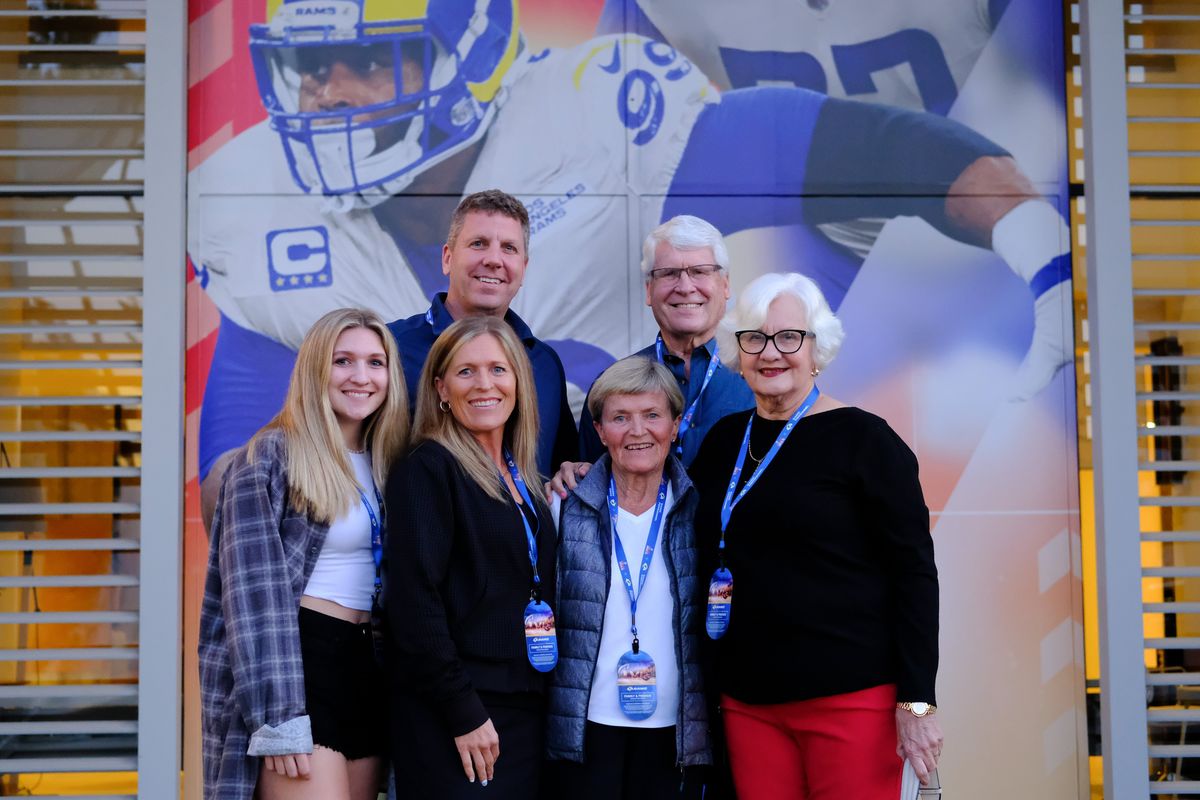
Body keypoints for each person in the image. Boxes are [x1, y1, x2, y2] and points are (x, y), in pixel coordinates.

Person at [190, 0, 1072, 491]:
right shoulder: (257, 208)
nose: (335, 95)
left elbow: (860, 148)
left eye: (373, 61)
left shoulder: (595, 122)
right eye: (314, 68)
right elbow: (237, 487)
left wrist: (1042, 251)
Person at [688, 272, 941, 800]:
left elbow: (914, 576)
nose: (770, 352)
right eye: (755, 337)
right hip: (748, 702)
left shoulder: (865, 441)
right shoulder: (722, 443)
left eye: (788, 337)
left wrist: (917, 703)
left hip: (850, 699)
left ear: (816, 346)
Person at [198, 307, 409, 800]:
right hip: (298, 666)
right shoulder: (267, 457)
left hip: (369, 664)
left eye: (375, 363)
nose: (361, 377)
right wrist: (278, 717)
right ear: (316, 368)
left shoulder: (390, 463)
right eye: (343, 361)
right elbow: (252, 601)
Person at [385, 315, 557, 799]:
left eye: (499, 370)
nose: (485, 384)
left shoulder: (524, 478)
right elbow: (415, 604)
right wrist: (464, 712)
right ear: (440, 387)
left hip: (523, 705)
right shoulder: (426, 467)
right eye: (466, 372)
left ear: (519, 382)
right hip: (458, 714)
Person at [546, 357, 710, 799]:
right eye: (620, 417)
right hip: (585, 726)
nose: (638, 431)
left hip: (674, 728)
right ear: (599, 431)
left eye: (652, 415)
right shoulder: (565, 505)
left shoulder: (701, 510)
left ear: (675, 425)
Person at [387, 189, 578, 477]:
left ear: (523, 268)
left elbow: (560, 467)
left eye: (509, 248)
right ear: (447, 258)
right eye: (479, 244)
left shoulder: (544, 363)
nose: (494, 259)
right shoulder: (391, 350)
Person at [578, 215, 753, 468]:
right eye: (669, 273)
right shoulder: (610, 385)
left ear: (725, 285)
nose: (685, 287)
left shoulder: (759, 375)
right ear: (649, 290)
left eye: (699, 272)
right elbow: (590, 485)